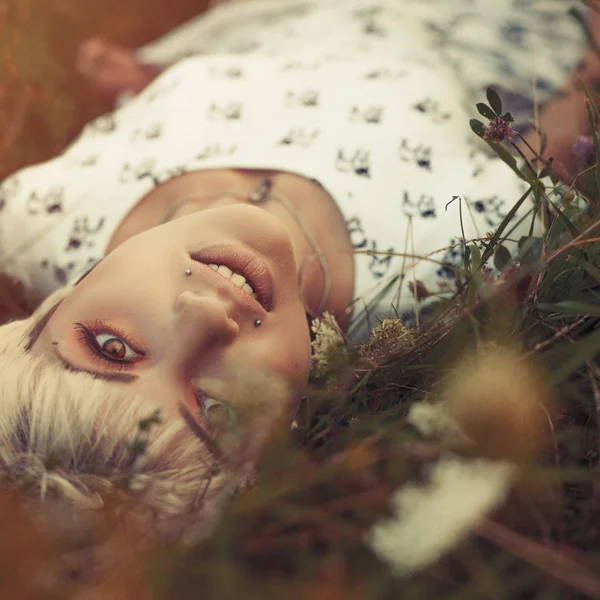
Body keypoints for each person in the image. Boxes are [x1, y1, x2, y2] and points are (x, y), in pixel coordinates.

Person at [0, 0, 594, 532]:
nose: (207, 316)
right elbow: (559, 142)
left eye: (110, 346)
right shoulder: (443, 260)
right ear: (285, 432)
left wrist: (146, 84)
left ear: (40, 319)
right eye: (220, 415)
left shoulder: (37, 221)